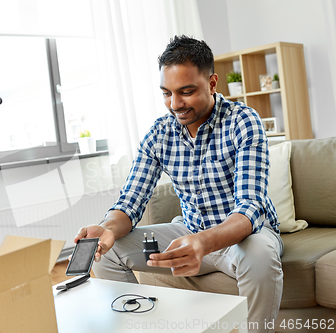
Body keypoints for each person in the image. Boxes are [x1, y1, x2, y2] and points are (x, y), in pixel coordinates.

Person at [73, 35, 283, 333]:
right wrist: (107, 228)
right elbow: (129, 202)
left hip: (243, 236)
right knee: (109, 251)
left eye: (186, 92)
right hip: (189, 230)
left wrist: (203, 241)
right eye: (167, 93)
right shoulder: (159, 134)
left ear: (212, 83)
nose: (175, 104)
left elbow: (250, 207)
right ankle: (141, 327)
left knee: (260, 257)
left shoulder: (243, 122)